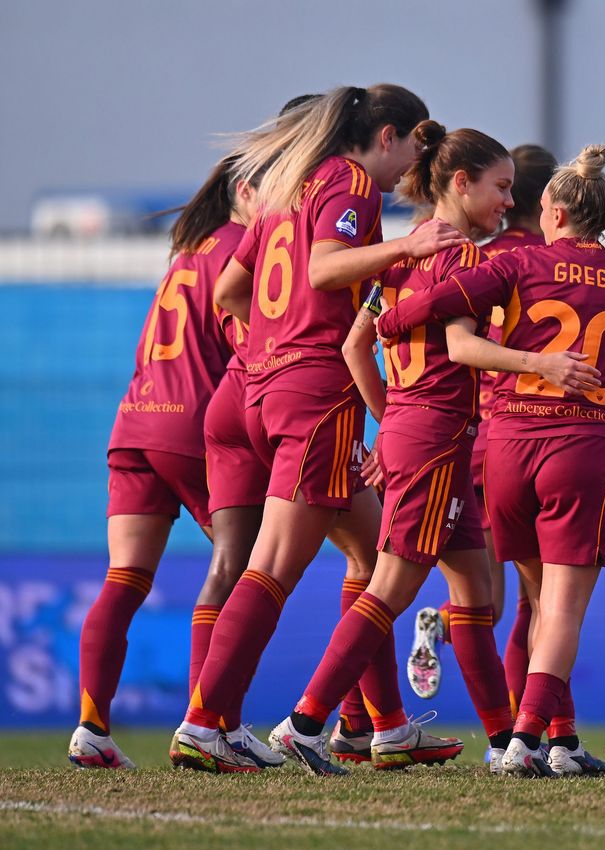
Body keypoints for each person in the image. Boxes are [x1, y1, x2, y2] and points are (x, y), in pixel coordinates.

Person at [271, 124, 596, 776]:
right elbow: (454, 346)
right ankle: (304, 723)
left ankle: (507, 742)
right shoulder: (472, 263)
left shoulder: (396, 257)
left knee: (476, 593)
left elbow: (354, 344)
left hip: (423, 432)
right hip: (440, 437)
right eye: (500, 189)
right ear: (460, 182)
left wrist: (389, 420)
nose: (508, 203)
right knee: (391, 584)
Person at [170, 83, 466, 773]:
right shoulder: (350, 179)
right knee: (272, 566)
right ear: (387, 136)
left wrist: (264, 346)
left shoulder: (291, 186)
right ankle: (206, 722)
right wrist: (406, 249)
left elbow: (229, 293)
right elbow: (324, 268)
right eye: (409, 152)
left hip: (266, 385)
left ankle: (386, 727)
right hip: (313, 393)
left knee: (374, 557)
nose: (403, 177)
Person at [376, 144, 605, 778]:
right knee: (556, 607)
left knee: (522, 598)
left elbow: (439, 305)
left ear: (551, 209)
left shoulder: (517, 261)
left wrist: (389, 323)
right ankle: (527, 736)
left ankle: (560, 737)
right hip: (581, 444)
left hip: (503, 444)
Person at [68, 154, 246, 769]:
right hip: (192, 424)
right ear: (245, 191)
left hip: (137, 419)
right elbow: (248, 339)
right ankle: (210, 724)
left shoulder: (185, 254)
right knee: (242, 567)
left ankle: (92, 727)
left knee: (124, 580)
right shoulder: (243, 247)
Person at [408, 144, 559, 711]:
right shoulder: (542, 265)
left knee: (487, 600)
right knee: (536, 599)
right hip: (523, 435)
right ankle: (530, 725)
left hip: (470, 437)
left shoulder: (476, 257)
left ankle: (437, 638)